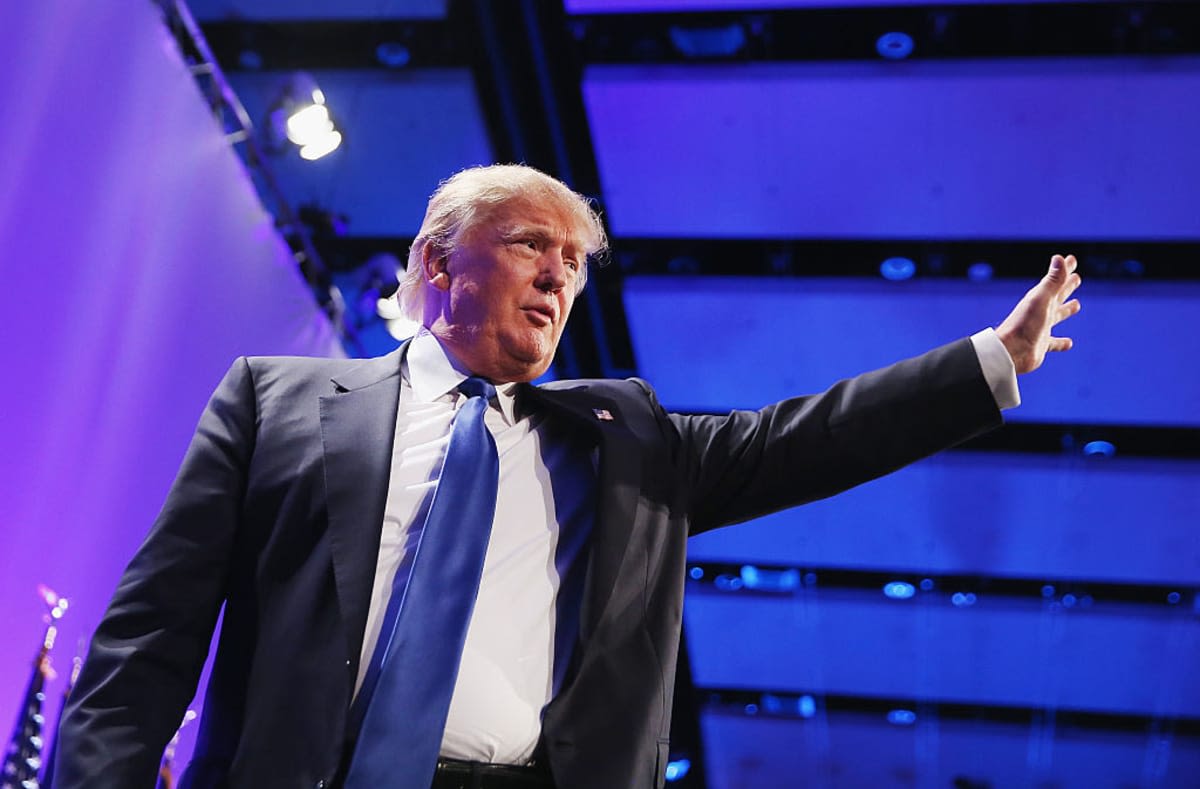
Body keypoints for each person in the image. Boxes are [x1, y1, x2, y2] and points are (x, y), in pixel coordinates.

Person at [54, 164, 1082, 789]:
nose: (559, 275)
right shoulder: (275, 401)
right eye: (530, 245)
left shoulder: (621, 441)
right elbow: (148, 641)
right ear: (437, 264)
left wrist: (987, 361)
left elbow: (803, 439)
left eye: (575, 261)